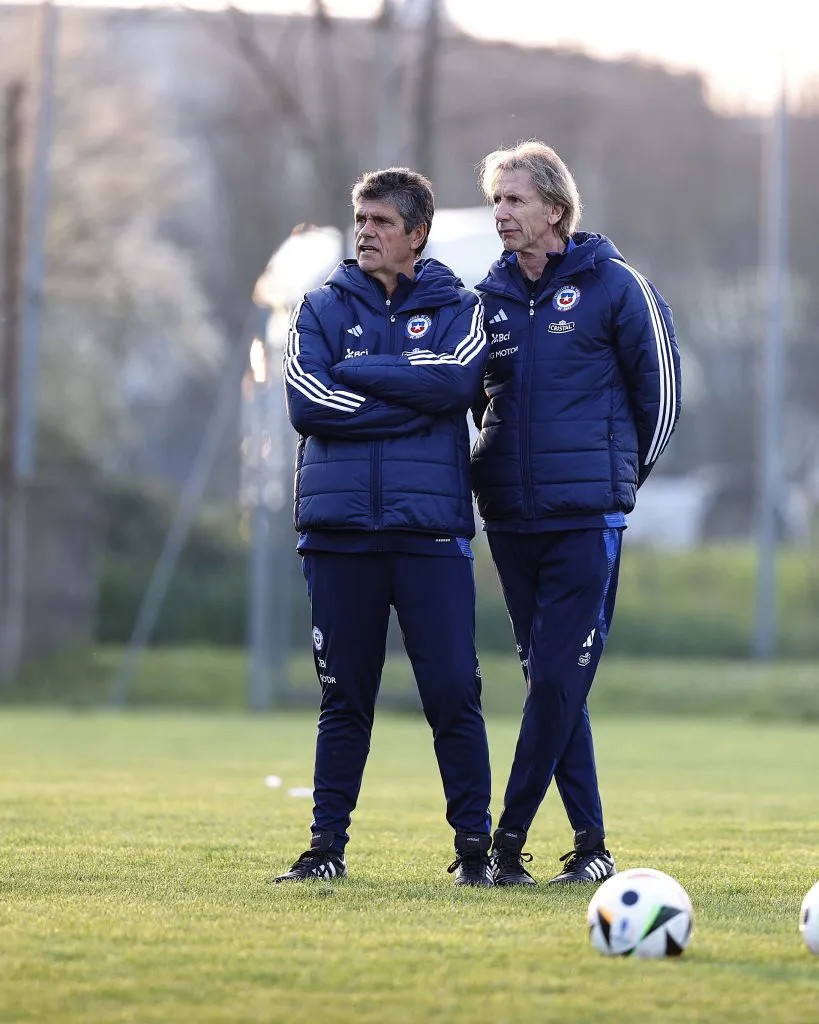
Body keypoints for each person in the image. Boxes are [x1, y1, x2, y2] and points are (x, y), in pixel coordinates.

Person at [275, 167, 494, 886]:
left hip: (429, 534)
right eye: (360, 218)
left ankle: (473, 854)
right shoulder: (316, 308)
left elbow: (457, 386)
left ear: (416, 235)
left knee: (454, 695)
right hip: (338, 536)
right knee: (344, 698)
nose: (365, 232)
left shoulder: (460, 308)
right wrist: (409, 397)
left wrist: (361, 370)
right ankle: (324, 851)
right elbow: (308, 402)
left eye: (381, 222)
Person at [471, 141, 681, 886]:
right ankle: (591, 847)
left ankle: (505, 842)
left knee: (557, 679)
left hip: (586, 520)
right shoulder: (483, 298)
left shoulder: (614, 285)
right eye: (496, 199)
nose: (501, 213)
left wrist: (617, 487)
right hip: (510, 522)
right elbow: (466, 405)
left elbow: (661, 396)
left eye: (515, 200)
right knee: (553, 684)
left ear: (555, 211)